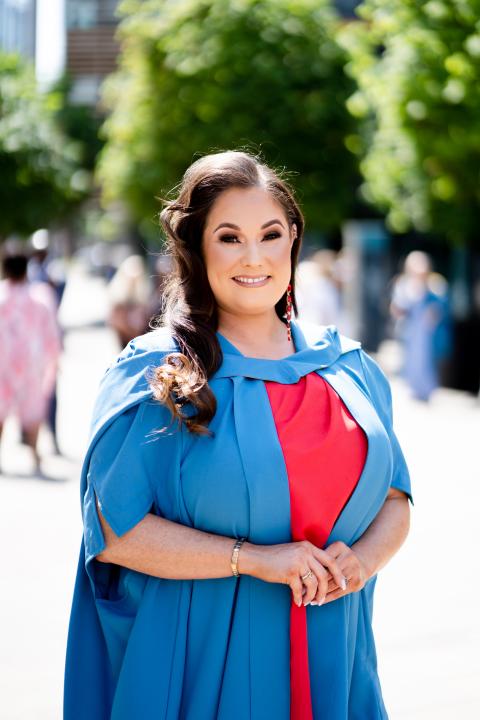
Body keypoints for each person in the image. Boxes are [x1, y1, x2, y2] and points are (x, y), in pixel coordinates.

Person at [64, 150, 413, 720]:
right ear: (197, 246)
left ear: (293, 239)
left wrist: (362, 562)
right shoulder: (158, 372)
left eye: (270, 234)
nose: (254, 257)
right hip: (199, 661)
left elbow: (396, 501)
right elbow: (114, 530)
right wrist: (251, 559)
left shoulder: (349, 367)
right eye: (230, 238)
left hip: (333, 649)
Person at [0, 250, 62, 473]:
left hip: (3, 361)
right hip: (32, 361)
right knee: (33, 409)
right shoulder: (40, 295)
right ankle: (35, 455)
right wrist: (54, 360)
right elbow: (51, 331)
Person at [390, 250, 451, 401]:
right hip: (410, 331)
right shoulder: (403, 284)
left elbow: (440, 309)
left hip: (428, 334)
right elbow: (396, 307)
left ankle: (426, 390)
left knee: (426, 361)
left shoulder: (435, 283)